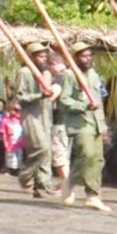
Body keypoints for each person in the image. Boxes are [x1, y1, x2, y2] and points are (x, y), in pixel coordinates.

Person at [59, 41, 110, 212]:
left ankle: (92, 195)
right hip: (80, 122)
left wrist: (103, 126)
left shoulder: (94, 75)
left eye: (89, 55)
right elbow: (64, 100)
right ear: (75, 58)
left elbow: (99, 102)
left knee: (97, 159)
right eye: (83, 55)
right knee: (86, 154)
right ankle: (70, 184)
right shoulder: (69, 75)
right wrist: (83, 105)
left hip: (95, 122)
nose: (88, 59)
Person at [15, 42, 58, 197]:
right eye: (40, 56)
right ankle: (25, 176)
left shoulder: (46, 74)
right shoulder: (24, 73)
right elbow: (20, 97)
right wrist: (39, 95)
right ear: (31, 57)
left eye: (45, 55)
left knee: (47, 152)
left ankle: (42, 185)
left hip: (46, 115)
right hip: (31, 115)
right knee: (40, 148)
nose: (43, 58)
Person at [49, 54, 70, 182]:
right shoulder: (74, 76)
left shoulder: (60, 78)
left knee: (59, 154)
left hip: (60, 121)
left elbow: (54, 93)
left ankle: (66, 185)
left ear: (54, 64)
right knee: (64, 154)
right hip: (71, 121)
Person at [0, 101, 25, 175]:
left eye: (17, 110)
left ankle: (18, 169)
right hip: (10, 142)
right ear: (9, 110)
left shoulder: (20, 119)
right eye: (14, 110)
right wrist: (5, 142)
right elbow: (3, 133)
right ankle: (8, 169)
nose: (16, 112)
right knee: (9, 156)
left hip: (19, 142)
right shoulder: (5, 121)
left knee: (19, 156)